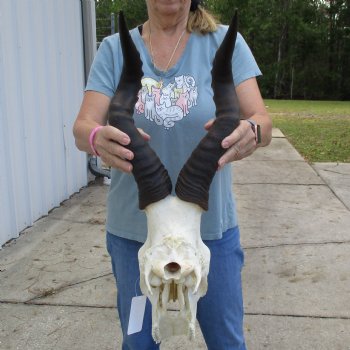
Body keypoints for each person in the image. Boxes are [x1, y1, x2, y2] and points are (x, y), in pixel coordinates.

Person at [73, 0, 272, 349]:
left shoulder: (225, 42)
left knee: (227, 341)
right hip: (137, 237)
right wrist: (95, 137)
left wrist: (251, 131)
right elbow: (82, 127)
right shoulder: (113, 49)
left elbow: (262, 121)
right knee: (138, 343)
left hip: (210, 233)